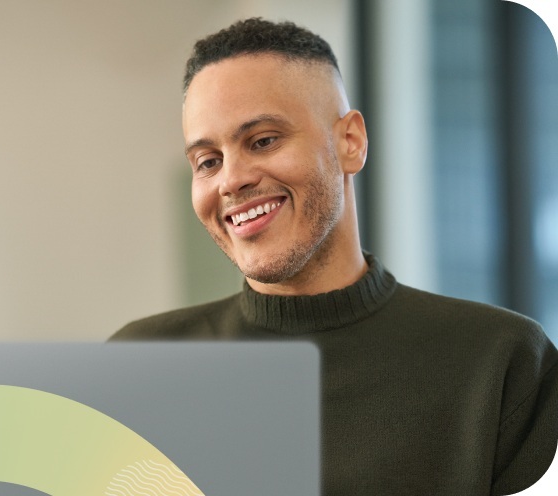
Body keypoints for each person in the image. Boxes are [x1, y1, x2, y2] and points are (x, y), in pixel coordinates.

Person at [110, 18, 558, 495]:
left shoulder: (502, 365)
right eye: (208, 161)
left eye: (263, 140)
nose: (231, 180)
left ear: (351, 142)